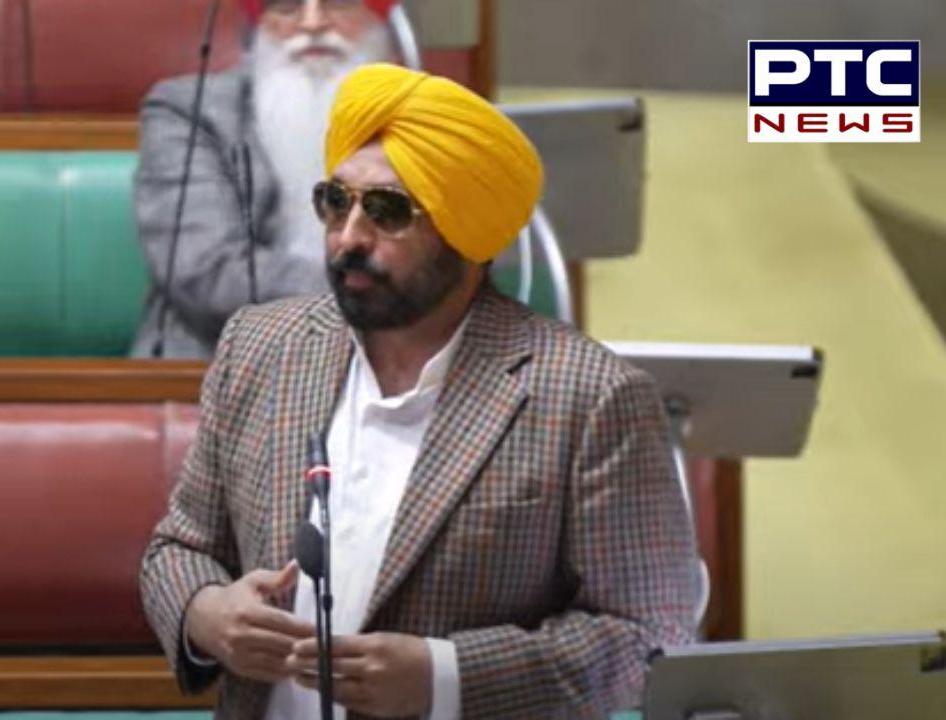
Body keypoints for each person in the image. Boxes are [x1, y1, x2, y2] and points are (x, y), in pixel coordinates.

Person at [139, 64, 698, 719]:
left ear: (467, 231)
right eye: (336, 201)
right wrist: (206, 613)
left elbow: (647, 638)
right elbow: (180, 547)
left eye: (387, 211)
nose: (349, 237)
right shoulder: (262, 347)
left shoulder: (593, 398)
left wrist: (448, 677)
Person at [132, 0, 400, 358]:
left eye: (336, 2)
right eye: (286, 6)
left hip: (399, 362)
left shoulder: (427, 116)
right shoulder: (191, 109)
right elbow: (207, 273)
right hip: (219, 359)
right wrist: (386, 287)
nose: (312, 23)